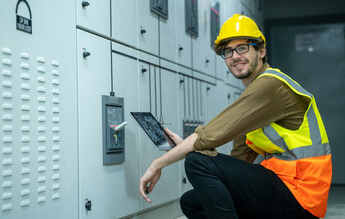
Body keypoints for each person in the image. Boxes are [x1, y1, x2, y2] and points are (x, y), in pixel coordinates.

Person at [139, 14, 332, 219]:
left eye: (242, 48)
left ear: (261, 51)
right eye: (228, 51)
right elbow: (239, 162)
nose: (234, 56)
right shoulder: (255, 97)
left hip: (301, 196)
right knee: (192, 202)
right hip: (284, 188)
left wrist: (156, 164)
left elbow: (209, 135)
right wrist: (186, 148)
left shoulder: (270, 85)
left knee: (197, 162)